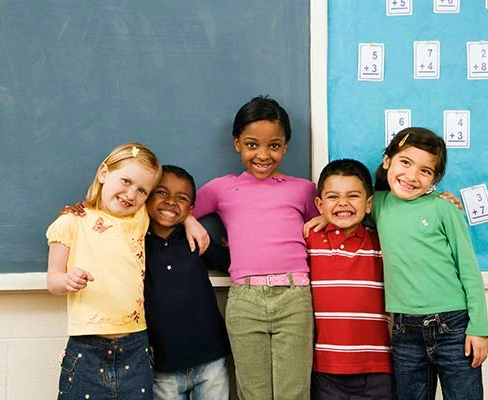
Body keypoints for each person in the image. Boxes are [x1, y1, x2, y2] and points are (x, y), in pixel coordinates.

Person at [185, 96, 319, 399]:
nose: (263, 154)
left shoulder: (303, 189)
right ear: (236, 144)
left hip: (294, 297)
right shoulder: (222, 188)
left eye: (274, 145)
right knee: (252, 392)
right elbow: (175, 210)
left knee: (293, 392)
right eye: (251, 144)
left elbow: (326, 226)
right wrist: (190, 222)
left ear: (285, 146)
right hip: (244, 299)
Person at [371, 127, 488, 400]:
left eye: (425, 171)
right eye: (405, 162)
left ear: (435, 179)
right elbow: (347, 212)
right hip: (404, 330)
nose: (412, 176)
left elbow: (469, 269)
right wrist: (323, 219)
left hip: (454, 327)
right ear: (387, 160)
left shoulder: (443, 207)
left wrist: (479, 328)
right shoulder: (376, 205)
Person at [46, 142, 163, 399]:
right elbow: (53, 281)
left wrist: (189, 220)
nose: (131, 194)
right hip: (87, 347)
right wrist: (67, 280)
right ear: (103, 173)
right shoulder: (70, 222)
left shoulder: (140, 217)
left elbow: (170, 208)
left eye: (142, 190)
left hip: (135, 344)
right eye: (126, 181)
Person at [307, 159, 394, 400]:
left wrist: (438, 198)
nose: (343, 203)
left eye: (353, 196)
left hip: (377, 369)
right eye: (333, 197)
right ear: (319, 204)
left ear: (368, 204)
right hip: (325, 370)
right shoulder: (309, 241)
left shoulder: (382, 241)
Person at [144, 165, 231, 400]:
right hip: (163, 367)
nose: (171, 201)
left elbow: (230, 262)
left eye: (181, 198)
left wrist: (234, 244)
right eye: (162, 193)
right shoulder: (135, 243)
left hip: (211, 359)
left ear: (191, 209)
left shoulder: (195, 239)